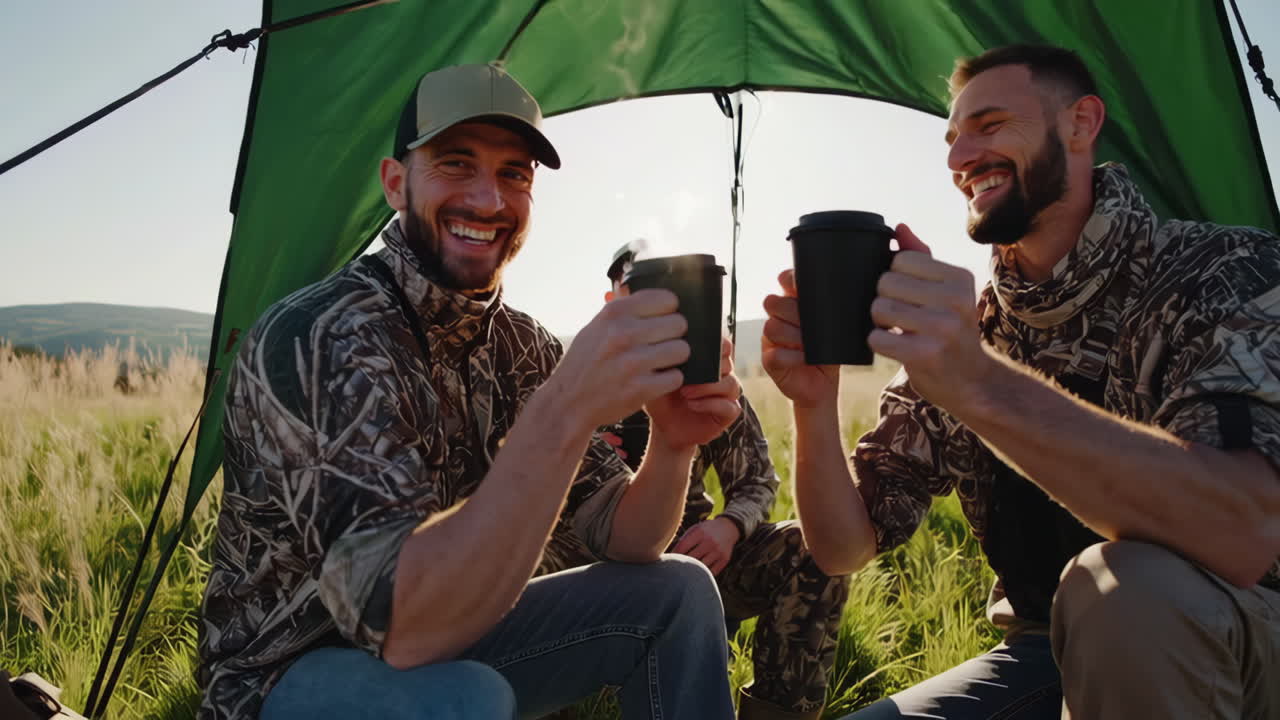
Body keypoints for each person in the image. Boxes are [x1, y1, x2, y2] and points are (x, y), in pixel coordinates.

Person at [198, 63, 744, 720]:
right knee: (468, 698)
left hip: (449, 625)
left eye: (514, 174)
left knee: (679, 593)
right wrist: (565, 409)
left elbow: (625, 539)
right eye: (457, 164)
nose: (489, 201)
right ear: (396, 185)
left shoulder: (524, 345)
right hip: (283, 676)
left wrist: (673, 445)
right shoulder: (324, 334)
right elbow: (402, 629)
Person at [761, 44, 1280, 719]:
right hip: (1045, 655)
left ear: (1081, 124)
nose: (958, 159)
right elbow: (843, 548)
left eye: (991, 124)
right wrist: (813, 403)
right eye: (952, 139)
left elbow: (1243, 533)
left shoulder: (1224, 272)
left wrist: (979, 384)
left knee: (1129, 593)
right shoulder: (974, 328)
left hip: (1242, 643)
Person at [536, 241, 850, 720]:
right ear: (612, 302)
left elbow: (757, 481)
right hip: (583, 567)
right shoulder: (569, 376)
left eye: (675, 294)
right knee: (526, 570)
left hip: (694, 555)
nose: (660, 310)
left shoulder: (707, 378)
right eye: (643, 292)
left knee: (811, 551)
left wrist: (729, 527)